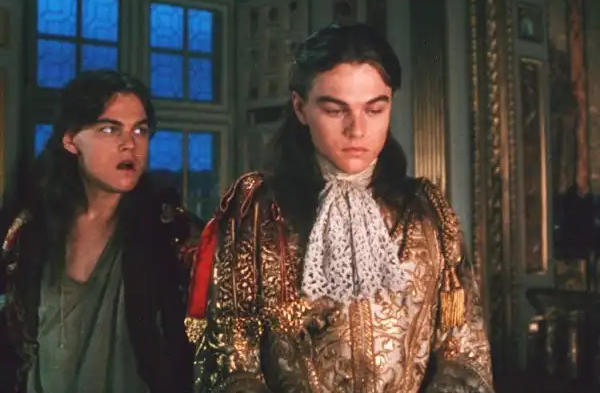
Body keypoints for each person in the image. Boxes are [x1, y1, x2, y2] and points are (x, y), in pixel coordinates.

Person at [186, 23, 494, 392]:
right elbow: (228, 359)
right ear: (301, 107)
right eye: (335, 110)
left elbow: (466, 353)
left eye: (374, 109)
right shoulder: (256, 213)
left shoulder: (427, 212)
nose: (357, 130)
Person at [0, 70, 198, 392]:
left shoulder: (171, 232)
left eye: (140, 130)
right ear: (70, 140)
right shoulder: (27, 230)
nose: (129, 144)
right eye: (109, 129)